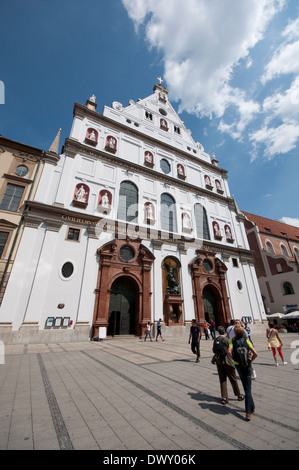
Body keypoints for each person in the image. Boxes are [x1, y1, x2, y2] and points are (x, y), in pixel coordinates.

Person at [228, 326, 258, 421]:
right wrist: (250, 361)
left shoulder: (232, 341)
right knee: (247, 387)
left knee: (246, 388)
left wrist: (234, 359)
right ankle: (252, 407)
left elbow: (229, 352)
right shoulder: (246, 340)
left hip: (238, 365)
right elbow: (255, 354)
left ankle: (248, 412)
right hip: (247, 365)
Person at [212, 326, 244, 405]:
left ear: (218, 332)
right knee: (233, 379)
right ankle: (239, 395)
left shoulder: (215, 340)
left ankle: (224, 397)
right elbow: (232, 351)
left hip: (219, 362)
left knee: (222, 379)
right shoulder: (227, 340)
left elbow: (213, 350)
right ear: (225, 332)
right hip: (228, 362)